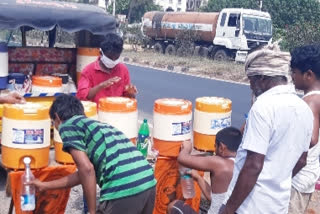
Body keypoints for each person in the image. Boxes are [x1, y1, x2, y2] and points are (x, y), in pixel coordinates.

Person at [221, 43, 314, 214]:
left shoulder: (263, 107)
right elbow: (302, 160)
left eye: (251, 80)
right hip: (278, 205)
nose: (250, 86)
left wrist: (229, 209)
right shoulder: (304, 109)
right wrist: (277, 179)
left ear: (262, 79)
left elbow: (253, 165)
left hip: (250, 206)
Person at [29, 94, 156, 214]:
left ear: (57, 117)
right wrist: (44, 186)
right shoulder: (100, 127)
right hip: (148, 182)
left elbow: (87, 169)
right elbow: (83, 174)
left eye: (54, 123)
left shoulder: (67, 125)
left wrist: (91, 211)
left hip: (124, 187)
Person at [168, 127, 242, 214]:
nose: (214, 150)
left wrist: (187, 148)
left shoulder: (220, 163)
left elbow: (182, 158)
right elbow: (214, 198)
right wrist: (198, 178)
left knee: (173, 206)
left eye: (215, 146)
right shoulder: (241, 164)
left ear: (222, 148)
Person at [289, 44, 320, 214]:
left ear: (308, 75)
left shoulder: (310, 102)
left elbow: (311, 139)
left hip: (297, 178)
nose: (292, 76)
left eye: (294, 72)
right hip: (309, 174)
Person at [76, 33, 137, 105]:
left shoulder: (123, 69)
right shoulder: (88, 71)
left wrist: (130, 93)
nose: (113, 61)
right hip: (97, 113)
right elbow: (81, 96)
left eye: (116, 58)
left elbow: (127, 97)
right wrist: (101, 86)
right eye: (110, 58)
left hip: (117, 112)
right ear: (101, 53)